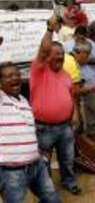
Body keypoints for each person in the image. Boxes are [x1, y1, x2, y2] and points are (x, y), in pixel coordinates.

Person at [30, 15, 82, 195]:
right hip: (43, 127)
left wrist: (74, 114)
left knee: (67, 158)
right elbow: (44, 49)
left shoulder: (65, 74)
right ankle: (46, 187)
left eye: (61, 55)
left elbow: (71, 96)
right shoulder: (38, 70)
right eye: (55, 55)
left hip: (65, 126)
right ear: (47, 57)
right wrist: (50, 30)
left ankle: (69, 180)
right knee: (44, 161)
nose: (59, 58)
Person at [0, 62, 61, 203]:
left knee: (52, 199)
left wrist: (37, 151)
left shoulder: (24, 101)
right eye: (8, 76)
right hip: (12, 172)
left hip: (37, 165)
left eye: (17, 74)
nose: (14, 78)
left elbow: (27, 130)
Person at [64, 27, 95, 141]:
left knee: (90, 105)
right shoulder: (67, 45)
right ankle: (78, 129)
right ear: (74, 35)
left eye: (83, 36)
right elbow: (64, 59)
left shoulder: (92, 44)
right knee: (74, 104)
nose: (80, 38)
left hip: (88, 77)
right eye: (78, 36)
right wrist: (75, 60)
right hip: (72, 78)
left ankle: (92, 131)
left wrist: (85, 61)